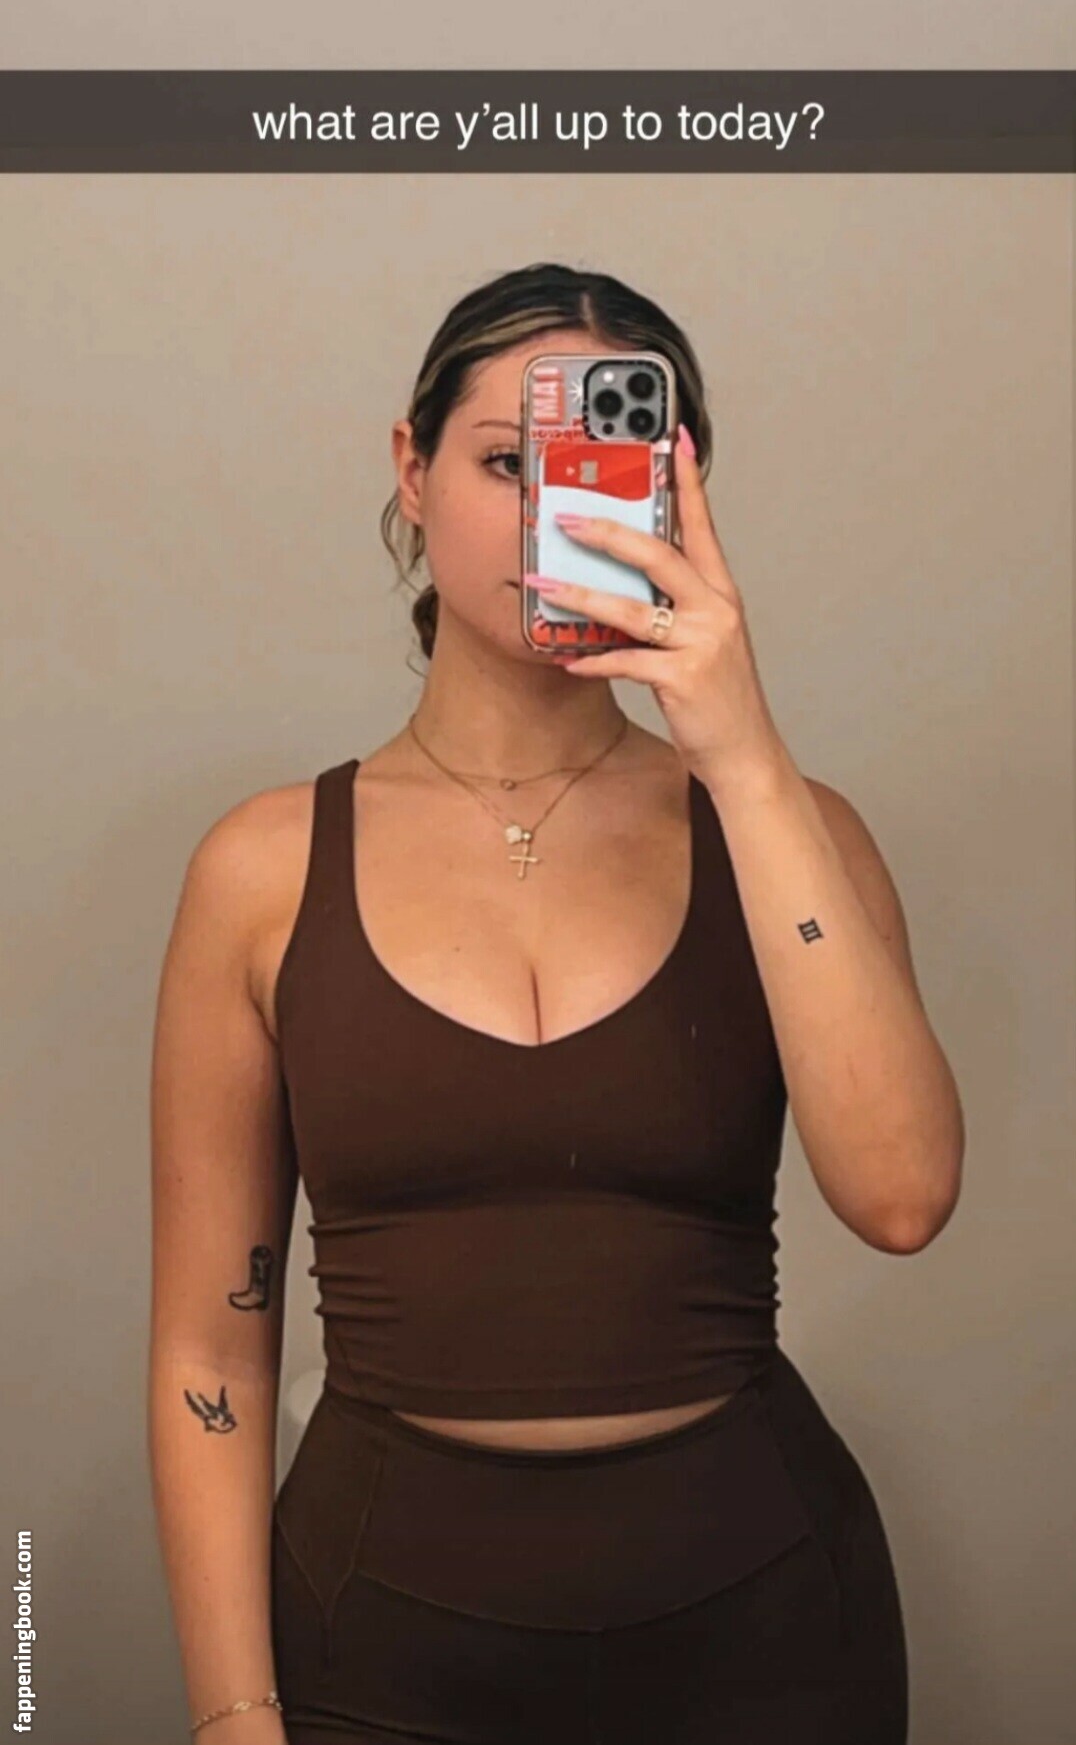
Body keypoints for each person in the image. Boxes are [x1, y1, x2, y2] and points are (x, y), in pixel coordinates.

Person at [149, 261, 964, 1744]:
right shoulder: (261, 870)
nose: (551, 514)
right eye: (505, 464)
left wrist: (742, 750)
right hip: (377, 1639)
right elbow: (209, 1350)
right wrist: (230, 1716)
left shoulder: (786, 829)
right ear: (410, 469)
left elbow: (903, 1195)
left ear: (677, 497)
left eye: (600, 466)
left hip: (772, 1633)